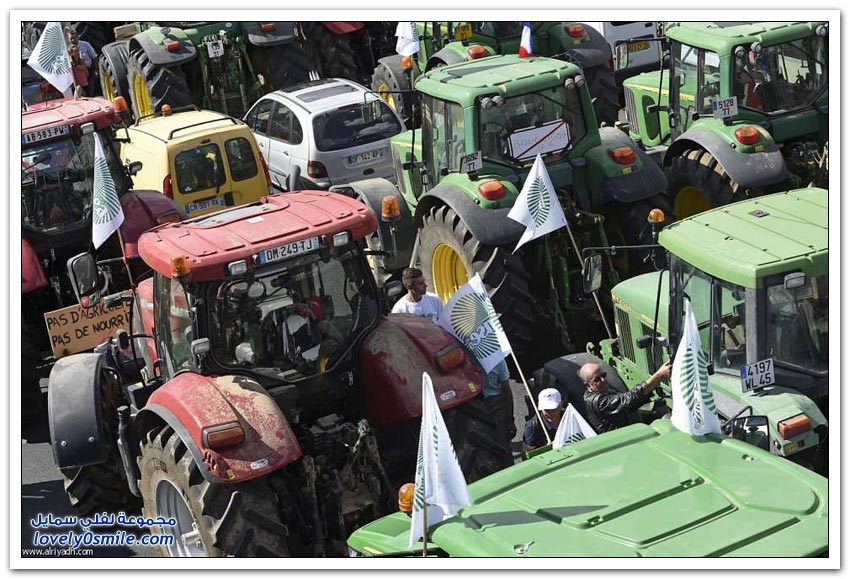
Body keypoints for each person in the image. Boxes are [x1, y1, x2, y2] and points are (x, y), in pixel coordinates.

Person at [580, 361, 672, 434]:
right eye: (597, 379)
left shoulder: (601, 390)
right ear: (587, 384)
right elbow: (628, 400)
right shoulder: (598, 402)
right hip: (622, 438)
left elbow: (627, 406)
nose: (603, 380)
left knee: (659, 408)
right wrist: (659, 375)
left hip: (627, 422)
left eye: (603, 375)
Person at [523, 388, 563, 454]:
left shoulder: (569, 417)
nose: (551, 413)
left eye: (554, 409)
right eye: (546, 410)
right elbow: (527, 454)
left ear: (561, 404)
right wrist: (545, 449)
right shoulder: (532, 427)